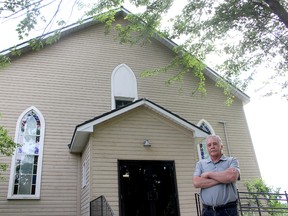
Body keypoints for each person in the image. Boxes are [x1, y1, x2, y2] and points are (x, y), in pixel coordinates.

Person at [193, 135, 240, 216]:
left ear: (221, 146)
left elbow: (232, 176)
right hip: (207, 211)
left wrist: (208, 174)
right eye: (209, 145)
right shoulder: (200, 164)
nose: (212, 147)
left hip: (228, 210)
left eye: (215, 144)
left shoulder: (231, 161)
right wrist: (224, 178)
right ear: (207, 148)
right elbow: (196, 182)